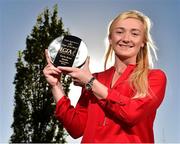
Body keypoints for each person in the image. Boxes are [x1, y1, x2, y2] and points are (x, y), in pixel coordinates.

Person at [43, 10, 167, 143]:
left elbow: (131, 114)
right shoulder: (95, 78)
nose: (126, 38)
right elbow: (76, 128)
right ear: (110, 39)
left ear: (143, 41)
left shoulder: (154, 77)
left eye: (135, 33)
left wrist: (90, 82)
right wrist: (56, 86)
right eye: (119, 32)